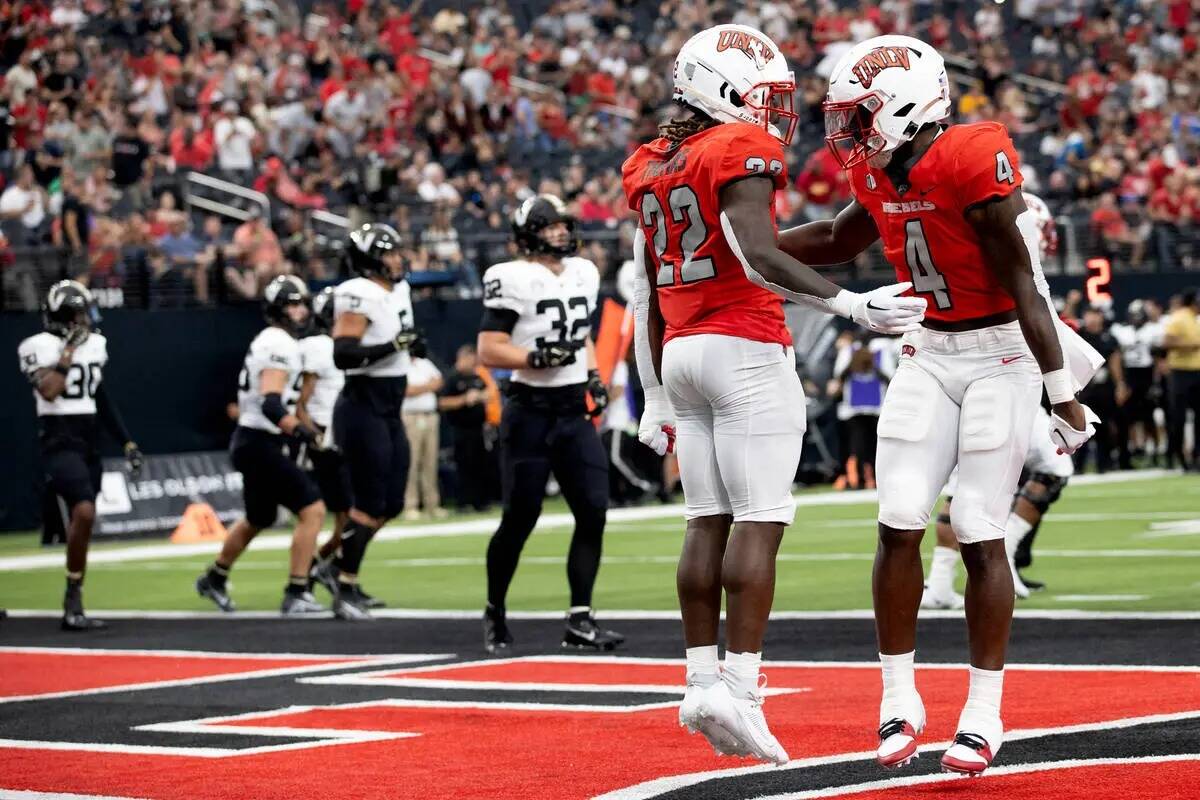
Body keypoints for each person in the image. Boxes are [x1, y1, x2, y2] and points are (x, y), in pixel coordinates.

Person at [776, 34, 1101, 775]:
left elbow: (1022, 282)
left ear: (904, 106)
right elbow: (832, 236)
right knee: (897, 519)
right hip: (931, 347)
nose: (850, 134)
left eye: (860, 117)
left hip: (1003, 355)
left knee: (980, 526)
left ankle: (984, 712)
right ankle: (899, 699)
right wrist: (748, 247)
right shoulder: (886, 170)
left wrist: (1061, 392)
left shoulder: (968, 152)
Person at [624, 25, 927, 766]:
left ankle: (700, 680)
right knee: (761, 517)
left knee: (705, 519)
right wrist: (851, 306)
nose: (772, 113)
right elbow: (758, 258)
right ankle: (744, 685)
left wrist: (655, 393)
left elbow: (642, 289)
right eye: (762, 98)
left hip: (683, 349)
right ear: (721, 90)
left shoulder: (649, 161)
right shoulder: (734, 150)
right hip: (745, 347)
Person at [478, 194, 619, 654]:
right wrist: (533, 357)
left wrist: (594, 376)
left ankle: (580, 618)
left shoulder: (584, 272)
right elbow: (489, 348)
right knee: (521, 517)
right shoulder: (511, 277)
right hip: (529, 410)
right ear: (527, 236)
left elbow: (579, 340)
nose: (560, 232)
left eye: (563, 224)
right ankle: (495, 608)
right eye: (549, 226)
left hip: (571, 407)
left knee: (593, 510)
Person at [195, 276, 327, 616]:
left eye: (302, 304)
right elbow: (271, 403)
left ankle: (215, 577)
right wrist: (302, 432)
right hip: (259, 441)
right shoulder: (277, 343)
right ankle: (297, 590)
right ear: (276, 310)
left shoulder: (280, 341)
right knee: (312, 509)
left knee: (259, 516)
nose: (300, 311)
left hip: (255, 441)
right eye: (291, 305)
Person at [18, 280, 143, 630]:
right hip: (58, 438)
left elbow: (100, 396)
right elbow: (51, 390)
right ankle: (73, 598)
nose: (85, 322)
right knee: (84, 509)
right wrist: (67, 354)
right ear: (62, 317)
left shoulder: (96, 346)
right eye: (78, 315)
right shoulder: (38, 346)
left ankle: (74, 593)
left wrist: (126, 442)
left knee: (84, 516)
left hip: (89, 439)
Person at [312, 223, 420, 620]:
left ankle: (329, 564)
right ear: (368, 261)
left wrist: (408, 347)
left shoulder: (398, 290)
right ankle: (345, 586)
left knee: (390, 502)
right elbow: (344, 354)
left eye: (396, 252)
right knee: (367, 503)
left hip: (389, 405)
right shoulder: (356, 292)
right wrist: (392, 347)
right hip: (362, 404)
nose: (396, 259)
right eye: (387, 254)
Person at [294, 287, 356, 604]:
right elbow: (301, 402)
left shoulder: (337, 345)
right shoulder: (318, 348)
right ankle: (315, 570)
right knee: (345, 514)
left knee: (352, 514)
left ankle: (326, 567)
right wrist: (313, 436)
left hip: (342, 438)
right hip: (326, 441)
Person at [439, 345, 494, 512]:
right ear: (461, 358)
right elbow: (442, 403)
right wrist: (464, 399)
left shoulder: (477, 377)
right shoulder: (452, 379)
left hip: (478, 429)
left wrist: (480, 397)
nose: (472, 363)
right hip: (460, 429)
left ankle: (481, 502)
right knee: (463, 466)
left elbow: (490, 393)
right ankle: (463, 502)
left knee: (480, 465)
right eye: (470, 359)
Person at [1111, 300, 1165, 466]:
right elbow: (1117, 358)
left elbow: (1157, 359)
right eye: (1134, 315)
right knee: (1128, 418)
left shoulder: (1153, 331)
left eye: (1139, 315)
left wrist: (1156, 382)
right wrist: (1121, 382)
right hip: (1130, 376)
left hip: (1146, 376)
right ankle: (1133, 450)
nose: (1136, 318)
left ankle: (1155, 451)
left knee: (1149, 418)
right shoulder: (1122, 332)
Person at [1076, 306, 1128, 474]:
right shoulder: (1078, 335)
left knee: (1104, 425)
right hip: (1083, 387)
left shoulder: (1109, 338)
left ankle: (1103, 464)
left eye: (1096, 314)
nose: (1092, 318)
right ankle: (1078, 465)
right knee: (1081, 425)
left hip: (1104, 387)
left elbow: (1115, 362)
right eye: (1089, 314)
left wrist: (1120, 384)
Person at [403, 355, 446, 521]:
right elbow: (407, 390)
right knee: (412, 461)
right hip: (410, 417)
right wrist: (429, 386)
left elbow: (439, 381)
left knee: (430, 461)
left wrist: (420, 388)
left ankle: (432, 504)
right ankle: (410, 505)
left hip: (430, 416)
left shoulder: (425, 363)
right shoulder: (400, 364)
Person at [1162, 289, 1200, 471]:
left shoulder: (1194, 318)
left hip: (1196, 373)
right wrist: (1191, 345)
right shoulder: (1179, 318)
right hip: (1181, 373)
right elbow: (1167, 342)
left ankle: (1196, 457)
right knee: (1179, 417)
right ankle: (1177, 457)